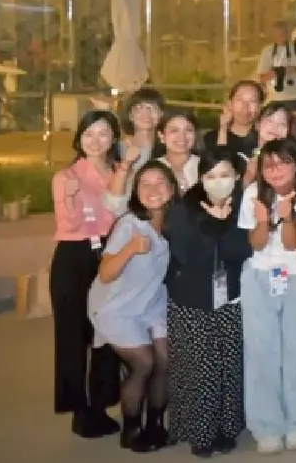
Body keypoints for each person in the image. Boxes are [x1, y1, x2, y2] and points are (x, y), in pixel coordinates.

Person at [164, 147, 253, 458]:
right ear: (200, 178)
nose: (218, 182)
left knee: (229, 366)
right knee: (199, 369)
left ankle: (227, 429)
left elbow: (241, 252)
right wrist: (210, 226)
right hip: (191, 300)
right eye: (211, 176)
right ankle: (201, 433)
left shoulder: (244, 207)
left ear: (237, 176)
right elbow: (185, 256)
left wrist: (224, 225)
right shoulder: (183, 209)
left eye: (225, 175)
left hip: (230, 298)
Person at [238, 136, 296, 453]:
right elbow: (256, 244)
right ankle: (266, 426)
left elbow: (291, 245)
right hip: (259, 277)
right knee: (261, 352)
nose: (276, 170)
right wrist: (262, 219)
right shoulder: (253, 194)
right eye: (269, 165)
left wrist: (287, 216)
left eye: (283, 162)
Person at [92, 160, 177, 450]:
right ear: (135, 191)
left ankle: (155, 423)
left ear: (172, 189)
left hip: (152, 302)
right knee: (143, 362)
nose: (153, 189)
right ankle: (131, 429)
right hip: (118, 306)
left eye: (160, 182)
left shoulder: (173, 222)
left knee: (166, 359)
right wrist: (130, 249)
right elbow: (105, 274)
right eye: (145, 184)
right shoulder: (130, 225)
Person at [52, 110, 125, 439]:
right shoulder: (66, 175)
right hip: (75, 256)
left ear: (113, 139)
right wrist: (68, 198)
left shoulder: (117, 171)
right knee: (73, 335)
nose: (97, 141)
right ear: (79, 138)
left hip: (108, 255)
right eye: (89, 134)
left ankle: (100, 403)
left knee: (106, 331)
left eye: (104, 134)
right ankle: (79, 410)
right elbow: (68, 225)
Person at [257, 22, 296, 102]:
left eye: (283, 32)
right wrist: (276, 73)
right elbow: (261, 78)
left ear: (287, 33)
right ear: (273, 35)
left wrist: (294, 69)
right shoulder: (267, 51)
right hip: (275, 98)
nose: (280, 35)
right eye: (277, 33)